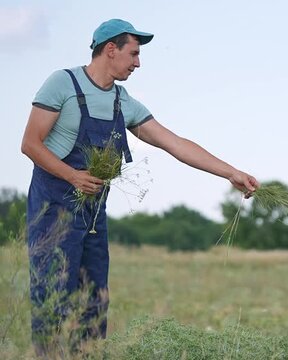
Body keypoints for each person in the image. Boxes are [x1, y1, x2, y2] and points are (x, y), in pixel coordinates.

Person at [20, 19, 260, 355]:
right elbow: (31, 144)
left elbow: (174, 143)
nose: (138, 63)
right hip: (53, 211)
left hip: (92, 217)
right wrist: (72, 175)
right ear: (110, 49)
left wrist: (230, 172)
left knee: (93, 303)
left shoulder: (123, 101)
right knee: (53, 299)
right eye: (133, 54)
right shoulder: (63, 84)